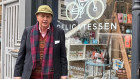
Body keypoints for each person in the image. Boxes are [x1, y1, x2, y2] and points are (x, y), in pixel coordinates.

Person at [14, 5, 68, 79]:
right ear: (37, 17)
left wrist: (64, 75)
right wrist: (17, 75)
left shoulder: (59, 32)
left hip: (52, 75)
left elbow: (63, 56)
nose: (45, 19)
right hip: (31, 75)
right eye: (42, 16)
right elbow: (21, 55)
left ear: (51, 18)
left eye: (48, 16)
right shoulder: (28, 31)